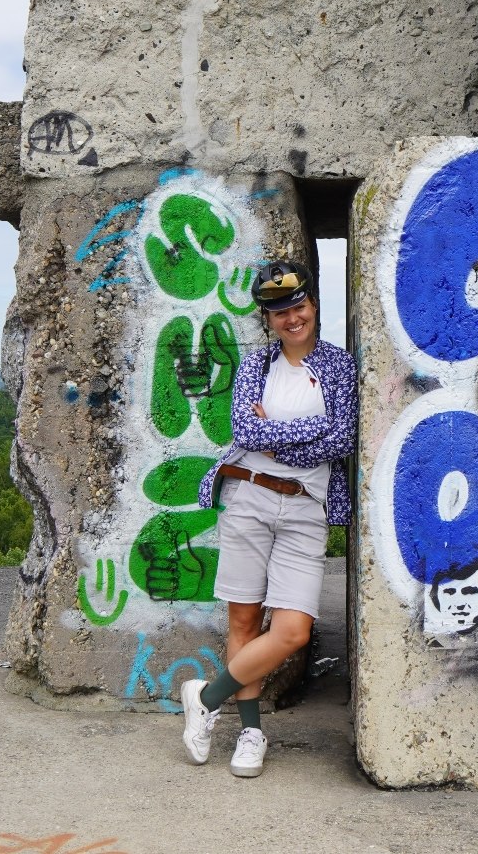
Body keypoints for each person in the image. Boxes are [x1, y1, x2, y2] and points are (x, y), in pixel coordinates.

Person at [178, 259, 356, 778]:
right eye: (279, 312)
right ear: (267, 319)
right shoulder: (256, 365)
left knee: (293, 629)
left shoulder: (340, 367)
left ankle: (206, 696)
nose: (291, 319)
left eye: (297, 306)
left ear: (313, 306)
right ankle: (250, 733)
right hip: (250, 497)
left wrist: (279, 433)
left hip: (306, 507)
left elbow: (342, 436)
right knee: (244, 620)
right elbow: (245, 432)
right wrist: (307, 433)